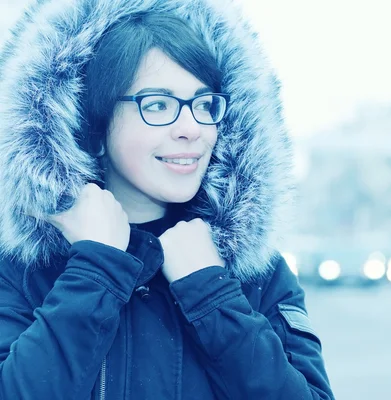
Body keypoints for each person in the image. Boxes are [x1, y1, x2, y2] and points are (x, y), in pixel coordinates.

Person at [0, 1, 334, 399]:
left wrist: (212, 294)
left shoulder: (255, 272)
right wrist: (95, 270)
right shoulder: (23, 269)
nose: (192, 129)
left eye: (204, 104)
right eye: (157, 104)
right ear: (94, 126)